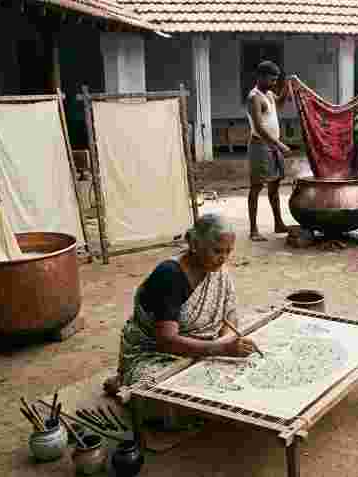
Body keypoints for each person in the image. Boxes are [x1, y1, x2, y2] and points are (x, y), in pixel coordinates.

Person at [104, 214, 256, 397]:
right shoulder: (169, 275)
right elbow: (167, 341)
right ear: (194, 244)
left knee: (234, 381)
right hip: (155, 353)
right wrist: (221, 349)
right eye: (217, 251)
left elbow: (230, 315)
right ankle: (124, 382)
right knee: (170, 398)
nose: (223, 258)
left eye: (228, 252)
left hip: (204, 346)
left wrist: (225, 341)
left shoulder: (217, 271)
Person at [247, 60, 293, 241]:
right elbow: (258, 127)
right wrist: (279, 144)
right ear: (260, 77)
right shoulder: (254, 97)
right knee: (256, 187)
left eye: (276, 80)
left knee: (275, 185)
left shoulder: (269, 94)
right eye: (271, 80)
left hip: (272, 145)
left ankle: (278, 223)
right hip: (260, 146)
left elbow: (280, 104)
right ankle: (253, 230)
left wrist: (288, 85)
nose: (274, 83)